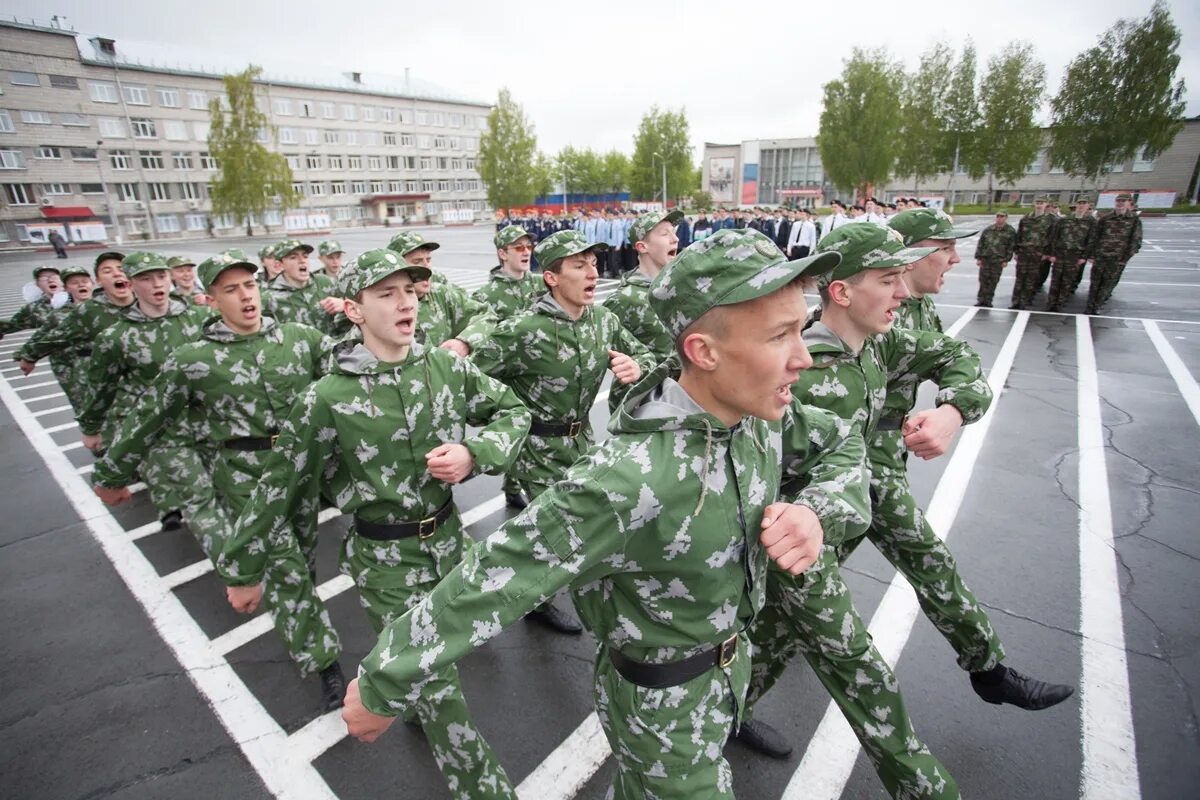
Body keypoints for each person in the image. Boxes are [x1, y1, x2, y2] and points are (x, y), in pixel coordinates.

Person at [342, 228, 869, 800]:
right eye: (780, 335)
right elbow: (497, 573)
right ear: (704, 352)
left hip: (727, 676)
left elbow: (844, 443)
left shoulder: (760, 419)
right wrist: (382, 683)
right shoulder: (629, 480)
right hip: (663, 712)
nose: (805, 356)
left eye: (802, 327)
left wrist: (817, 510)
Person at [228, 249, 530, 797]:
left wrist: (475, 452)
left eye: (410, 292)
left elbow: (514, 412)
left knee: (433, 674)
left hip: (449, 548)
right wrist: (242, 567)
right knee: (445, 699)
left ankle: (410, 697)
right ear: (355, 311)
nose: (405, 303)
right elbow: (280, 485)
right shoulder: (329, 398)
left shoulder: (447, 366)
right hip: (386, 565)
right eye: (386, 294)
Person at [741, 223, 974, 798]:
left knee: (770, 641)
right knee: (861, 671)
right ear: (841, 292)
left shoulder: (876, 346)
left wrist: (953, 409)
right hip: (789, 545)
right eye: (888, 279)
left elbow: (955, 355)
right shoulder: (806, 367)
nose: (902, 293)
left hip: (827, 530)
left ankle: (723, 714)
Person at [92, 250, 347, 709]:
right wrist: (110, 472)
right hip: (247, 478)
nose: (246, 295)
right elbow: (146, 418)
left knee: (304, 564)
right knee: (286, 570)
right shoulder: (195, 360)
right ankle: (325, 662)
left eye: (249, 285)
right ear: (210, 300)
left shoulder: (301, 339)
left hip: (303, 472)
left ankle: (301, 624)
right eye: (231, 290)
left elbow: (351, 379)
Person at [468, 229, 655, 633]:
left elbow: (645, 355)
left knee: (589, 524)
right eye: (579, 265)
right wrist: (502, 426)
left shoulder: (603, 321)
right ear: (552, 277)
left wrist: (637, 367)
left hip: (583, 442)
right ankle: (535, 601)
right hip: (537, 449)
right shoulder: (522, 329)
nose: (592, 272)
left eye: (594, 263)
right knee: (552, 535)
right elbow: (470, 380)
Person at [78, 252, 212, 531]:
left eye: (161, 276)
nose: (156, 285)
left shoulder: (199, 318)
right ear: (130, 284)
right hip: (165, 431)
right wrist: (91, 427)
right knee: (200, 502)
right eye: (146, 279)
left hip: (211, 423)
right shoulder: (116, 337)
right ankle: (238, 570)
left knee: (229, 494)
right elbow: (101, 389)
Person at [14, 252, 132, 378]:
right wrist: (29, 356)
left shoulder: (147, 300)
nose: (117, 273)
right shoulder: (89, 311)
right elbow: (56, 337)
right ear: (98, 281)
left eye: (121, 269)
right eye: (107, 271)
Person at [385, 231, 493, 356]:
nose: (427, 267)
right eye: (417, 262)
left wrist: (464, 342)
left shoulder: (441, 294)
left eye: (428, 260)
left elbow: (486, 315)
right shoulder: (384, 305)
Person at [602, 209, 682, 361]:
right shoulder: (623, 299)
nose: (675, 239)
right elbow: (601, 351)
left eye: (674, 232)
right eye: (665, 234)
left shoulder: (679, 285)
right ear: (642, 247)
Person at [261, 240, 347, 335]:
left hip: (333, 347)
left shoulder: (325, 282)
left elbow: (357, 308)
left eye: (305, 256)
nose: (302, 261)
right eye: (293, 257)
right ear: (280, 264)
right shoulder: (268, 298)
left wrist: (344, 305)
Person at [1086, 192, 1143, 315]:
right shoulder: (1105, 218)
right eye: (1118, 201)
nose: (1120, 203)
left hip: (1117, 258)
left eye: (1123, 201)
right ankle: (1089, 306)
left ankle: (1097, 305)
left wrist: (1126, 258)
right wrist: (1091, 255)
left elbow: (1135, 241)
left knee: (1107, 283)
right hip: (1101, 256)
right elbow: (1095, 237)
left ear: (1129, 203)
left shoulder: (1134, 220)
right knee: (1095, 282)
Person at [1045, 196, 1098, 312]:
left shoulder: (1091, 222)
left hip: (1075, 256)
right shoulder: (1064, 220)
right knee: (1055, 280)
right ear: (1076, 205)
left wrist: (1084, 257)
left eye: (1084, 204)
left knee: (1067, 280)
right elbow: (1055, 237)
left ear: (1088, 206)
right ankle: (1051, 303)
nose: (1081, 206)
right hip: (1060, 253)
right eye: (1079, 203)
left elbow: (1091, 241)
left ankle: (1060, 303)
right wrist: (1052, 254)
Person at [1010, 197, 1057, 309]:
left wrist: (1048, 253)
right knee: (1020, 277)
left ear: (1046, 205)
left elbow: (1052, 237)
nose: (1039, 205)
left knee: (1032, 278)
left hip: (1038, 253)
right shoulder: (1026, 218)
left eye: (1041, 203)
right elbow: (1019, 235)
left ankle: (1026, 301)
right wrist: (1016, 251)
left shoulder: (1051, 219)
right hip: (1024, 252)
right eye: (1037, 203)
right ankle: (1016, 301)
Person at [0, 265, 62, 338]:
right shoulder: (34, 308)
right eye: (44, 278)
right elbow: (13, 324)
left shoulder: (75, 298)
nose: (50, 280)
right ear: (37, 284)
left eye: (54, 277)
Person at [974, 211, 1017, 307]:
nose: (999, 218)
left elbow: (1011, 247)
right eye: (998, 216)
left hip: (998, 260)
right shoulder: (988, 230)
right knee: (983, 280)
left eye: (1002, 217)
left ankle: (989, 300)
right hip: (986, 259)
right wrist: (978, 258)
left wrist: (1006, 260)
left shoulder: (1010, 231)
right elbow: (981, 244)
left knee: (993, 280)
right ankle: (981, 299)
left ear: (1006, 218)